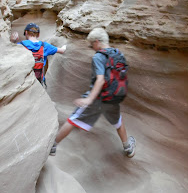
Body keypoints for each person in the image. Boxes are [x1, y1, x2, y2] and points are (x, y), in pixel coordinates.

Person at [50, 27, 136, 158]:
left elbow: (100, 80)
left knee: (73, 119)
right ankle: (128, 148)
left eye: (91, 45)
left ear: (97, 41)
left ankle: (52, 146)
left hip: (98, 98)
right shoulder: (119, 54)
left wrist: (89, 99)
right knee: (118, 122)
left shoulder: (99, 57)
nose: (92, 48)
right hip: (113, 97)